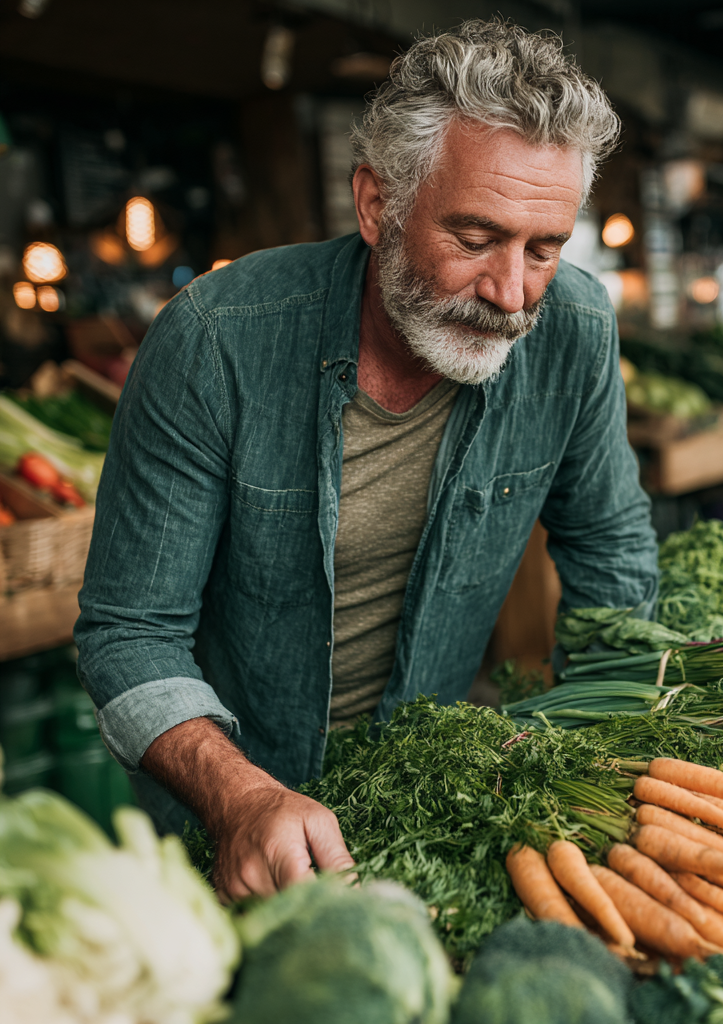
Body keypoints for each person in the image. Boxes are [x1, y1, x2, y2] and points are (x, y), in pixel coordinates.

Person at [75, 19, 659, 902]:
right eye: (474, 238)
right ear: (376, 202)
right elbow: (128, 631)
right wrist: (239, 796)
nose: (510, 293)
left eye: (543, 249)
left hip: (426, 794)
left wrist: (598, 769)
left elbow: (611, 555)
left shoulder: (573, 331)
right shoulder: (215, 343)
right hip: (220, 816)